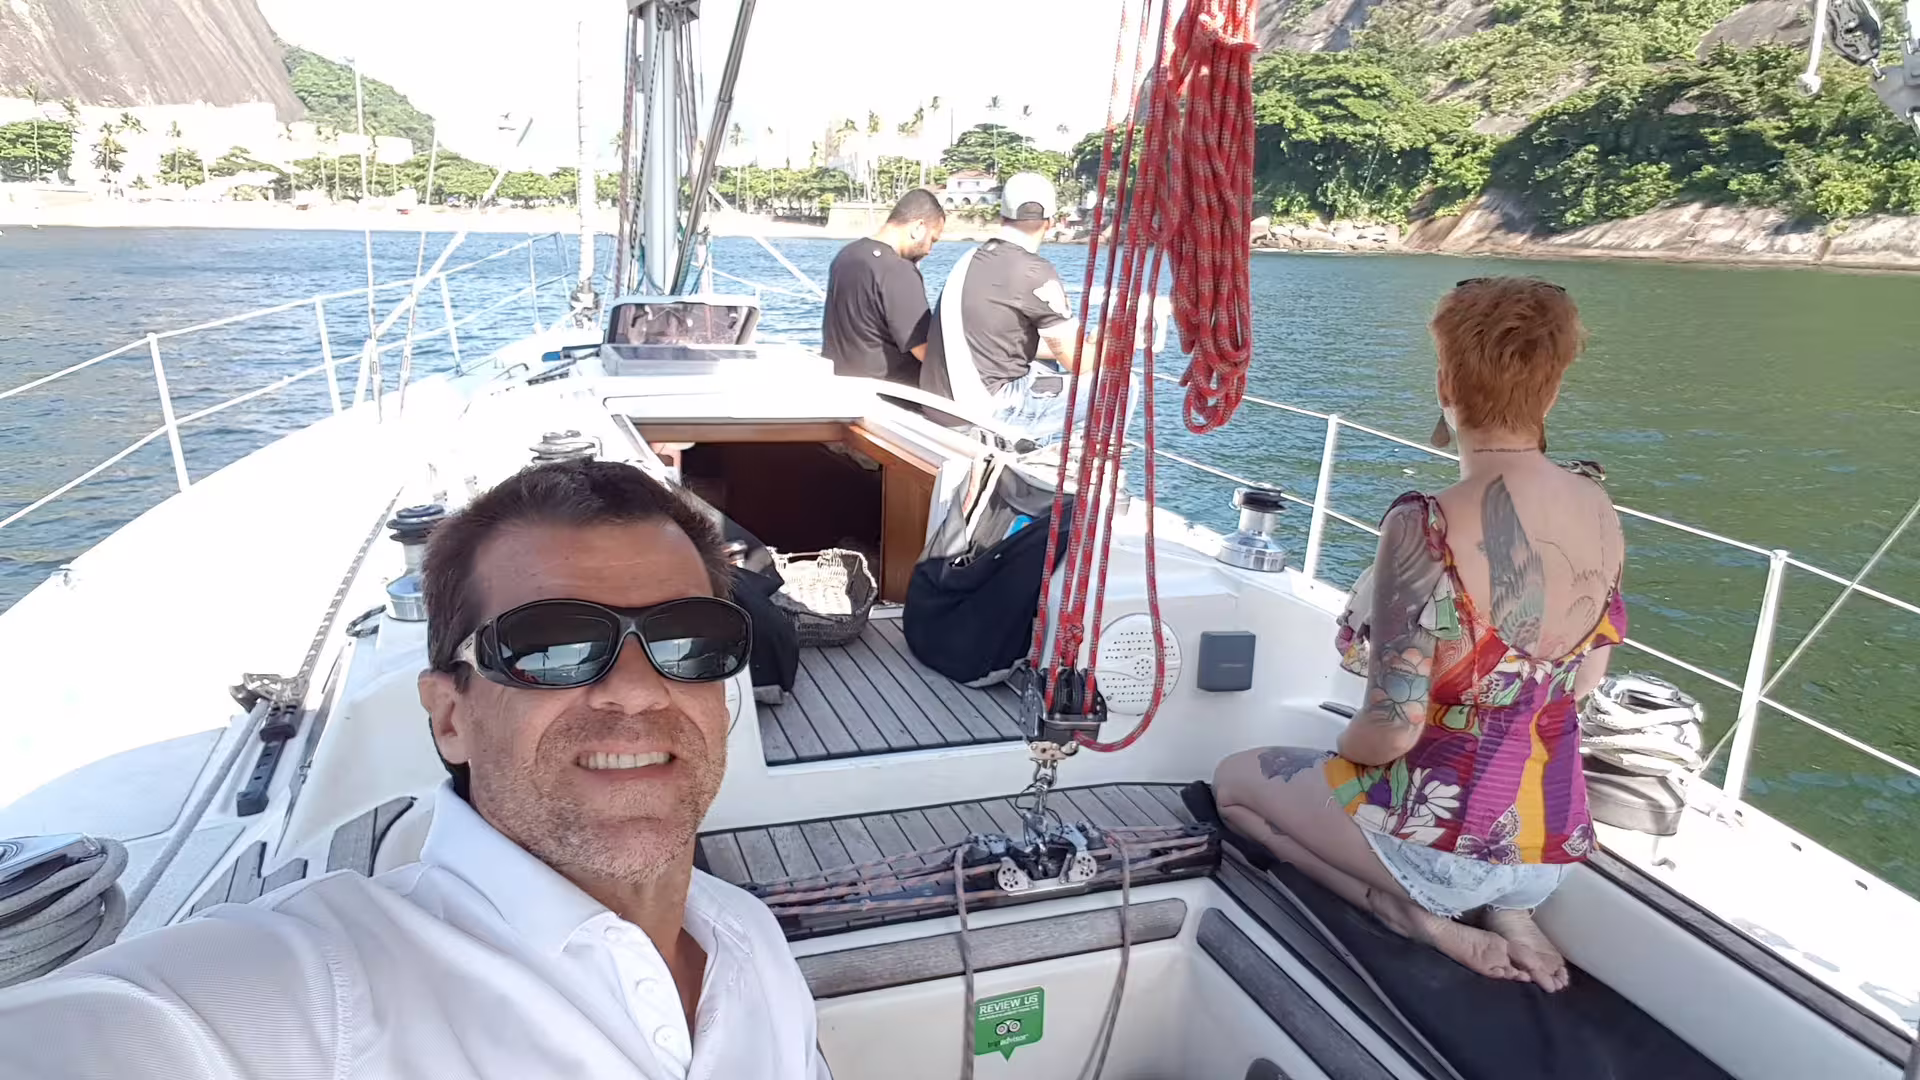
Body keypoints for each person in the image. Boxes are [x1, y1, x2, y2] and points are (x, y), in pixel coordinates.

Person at [0, 458, 832, 1079]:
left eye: (688, 639)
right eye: (551, 645)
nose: (636, 690)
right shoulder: (322, 989)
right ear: (450, 716)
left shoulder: (746, 939)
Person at [1212, 278, 1625, 993]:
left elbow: (1391, 731)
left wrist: (1340, 761)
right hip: (1547, 847)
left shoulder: (1425, 524)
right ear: (1553, 390)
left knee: (1235, 783)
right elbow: (1584, 682)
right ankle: (1512, 913)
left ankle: (1411, 916)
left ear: (1444, 383)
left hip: (1439, 851)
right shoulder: (1597, 505)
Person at [920, 172, 1089, 445]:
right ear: (1050, 223)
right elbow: (1080, 362)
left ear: (1001, 218)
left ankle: (1033, 448)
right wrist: (1111, 341)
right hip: (982, 413)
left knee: (1045, 365)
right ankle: (1085, 459)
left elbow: (997, 341)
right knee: (1123, 385)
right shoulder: (1035, 271)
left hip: (940, 406)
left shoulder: (970, 258)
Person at [820, 188, 944, 385]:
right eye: (932, 239)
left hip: (842, 384)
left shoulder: (846, 255)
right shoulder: (898, 270)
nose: (929, 250)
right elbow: (925, 351)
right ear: (919, 227)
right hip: (888, 391)